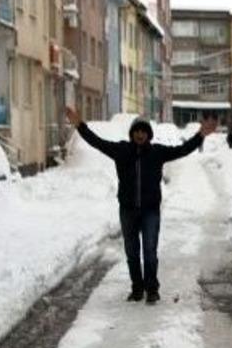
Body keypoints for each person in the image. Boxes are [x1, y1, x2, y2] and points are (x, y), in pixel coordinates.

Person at [64, 106, 217, 304]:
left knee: (150, 252)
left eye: (143, 131)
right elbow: (97, 142)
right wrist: (80, 125)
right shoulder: (121, 151)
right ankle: (137, 288)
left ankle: (152, 289)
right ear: (132, 134)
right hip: (128, 211)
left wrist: (200, 136)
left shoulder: (157, 152)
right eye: (136, 131)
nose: (140, 134)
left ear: (149, 134)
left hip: (150, 211)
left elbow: (182, 150)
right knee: (132, 253)